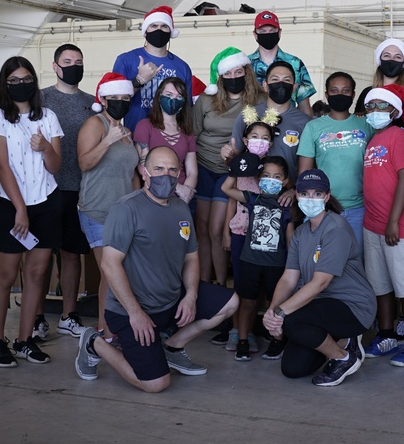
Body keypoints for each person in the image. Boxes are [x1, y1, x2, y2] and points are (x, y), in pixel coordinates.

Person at [73, 146, 239, 392]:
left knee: (231, 302)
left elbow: (192, 258)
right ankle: (94, 343)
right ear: (144, 171)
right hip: (132, 311)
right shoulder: (126, 209)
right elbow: (109, 263)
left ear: (180, 173)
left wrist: (191, 296)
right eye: (158, 169)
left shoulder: (180, 207)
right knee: (156, 384)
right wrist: (135, 313)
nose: (166, 175)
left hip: (170, 302)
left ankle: (171, 346)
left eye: (172, 170)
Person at [261, 169, 376, 386]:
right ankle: (343, 341)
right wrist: (271, 312)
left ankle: (343, 357)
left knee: (292, 320)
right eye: (305, 193)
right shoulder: (300, 233)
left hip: (352, 306)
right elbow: (288, 278)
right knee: (292, 369)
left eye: (317, 193)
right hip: (320, 307)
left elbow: (321, 282)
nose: (310, 199)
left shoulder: (336, 228)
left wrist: (281, 314)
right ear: (297, 195)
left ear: (327, 196)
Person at [0, 56, 63, 367]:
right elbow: (1, 166)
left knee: (37, 274)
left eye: (26, 78)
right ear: (5, 84)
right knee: (5, 275)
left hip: (46, 202)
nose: (21, 84)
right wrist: (20, 209)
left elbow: (56, 166)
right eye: (13, 80)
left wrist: (45, 147)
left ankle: (24, 339)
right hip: (9, 205)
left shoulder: (49, 117)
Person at [360, 85, 404, 367]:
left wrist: (394, 221)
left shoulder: (398, 136)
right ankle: (387, 334)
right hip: (372, 223)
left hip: (397, 225)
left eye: (381, 106)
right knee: (380, 284)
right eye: (370, 106)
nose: (375, 111)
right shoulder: (373, 139)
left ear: (395, 111)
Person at [77, 73, 141, 339]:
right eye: (114, 98)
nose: (120, 102)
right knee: (109, 273)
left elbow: (133, 174)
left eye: (125, 98)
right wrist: (107, 140)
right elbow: (84, 163)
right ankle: (104, 330)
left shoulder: (126, 131)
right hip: (97, 209)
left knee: (120, 272)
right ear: (102, 99)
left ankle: (113, 326)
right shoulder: (96, 124)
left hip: (124, 213)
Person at [193, 47, 262, 287]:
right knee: (201, 229)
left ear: (247, 72)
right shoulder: (206, 100)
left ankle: (222, 286)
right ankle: (203, 284)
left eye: (238, 71)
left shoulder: (259, 101)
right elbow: (194, 133)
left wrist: (238, 153)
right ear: (220, 77)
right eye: (228, 73)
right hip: (204, 167)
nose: (233, 77)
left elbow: (262, 137)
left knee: (216, 230)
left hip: (232, 171)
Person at [39, 43, 94, 339]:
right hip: (45, 189)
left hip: (80, 188)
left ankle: (68, 314)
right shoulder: (41, 99)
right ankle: (36, 316)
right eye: (68, 61)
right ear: (56, 66)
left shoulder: (91, 102)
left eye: (79, 61)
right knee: (42, 254)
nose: (74, 65)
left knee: (72, 254)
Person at [222, 154, 295, 361]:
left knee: (276, 304)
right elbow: (226, 189)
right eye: (266, 175)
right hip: (250, 262)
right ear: (258, 178)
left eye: (277, 176)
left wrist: (291, 266)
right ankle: (243, 341)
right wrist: (237, 167)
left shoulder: (287, 206)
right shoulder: (253, 198)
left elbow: (290, 239)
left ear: (285, 181)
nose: (271, 180)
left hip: (277, 264)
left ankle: (277, 340)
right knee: (247, 302)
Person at [297, 71, 371, 249]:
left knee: (354, 263)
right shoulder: (313, 127)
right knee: (319, 261)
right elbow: (304, 172)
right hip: (323, 207)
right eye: (334, 90)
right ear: (326, 94)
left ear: (353, 95)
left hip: (359, 209)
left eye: (345, 91)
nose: (340, 94)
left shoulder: (367, 124)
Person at [112, 6, 193, 132]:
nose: (159, 30)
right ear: (145, 32)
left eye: (164, 26)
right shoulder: (125, 60)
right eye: (154, 26)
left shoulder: (182, 67)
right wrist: (139, 80)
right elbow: (114, 101)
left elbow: (187, 109)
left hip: (170, 136)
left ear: (170, 32)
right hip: (134, 133)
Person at [228, 61, 312, 181]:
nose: (281, 84)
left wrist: (293, 191)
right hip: (250, 191)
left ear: (294, 87)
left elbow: (306, 166)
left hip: (286, 193)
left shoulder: (304, 122)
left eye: (286, 80)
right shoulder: (247, 115)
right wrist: (227, 155)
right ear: (265, 85)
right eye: (275, 79)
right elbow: (234, 156)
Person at [133, 76, 197, 204]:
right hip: (153, 197)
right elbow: (143, 166)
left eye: (179, 97)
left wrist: (185, 196)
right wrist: (176, 187)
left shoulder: (187, 132)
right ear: (159, 96)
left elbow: (192, 171)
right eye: (168, 94)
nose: (173, 99)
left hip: (180, 199)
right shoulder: (145, 126)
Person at [247, 10, 317, 117]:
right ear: (255, 35)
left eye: (272, 30)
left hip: (289, 128)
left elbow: (305, 109)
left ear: (279, 32)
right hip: (253, 127)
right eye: (263, 31)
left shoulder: (296, 64)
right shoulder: (245, 65)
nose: (268, 34)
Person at [355, 38, 404, 132]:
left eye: (397, 57)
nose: (391, 60)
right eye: (387, 56)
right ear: (380, 60)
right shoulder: (367, 93)